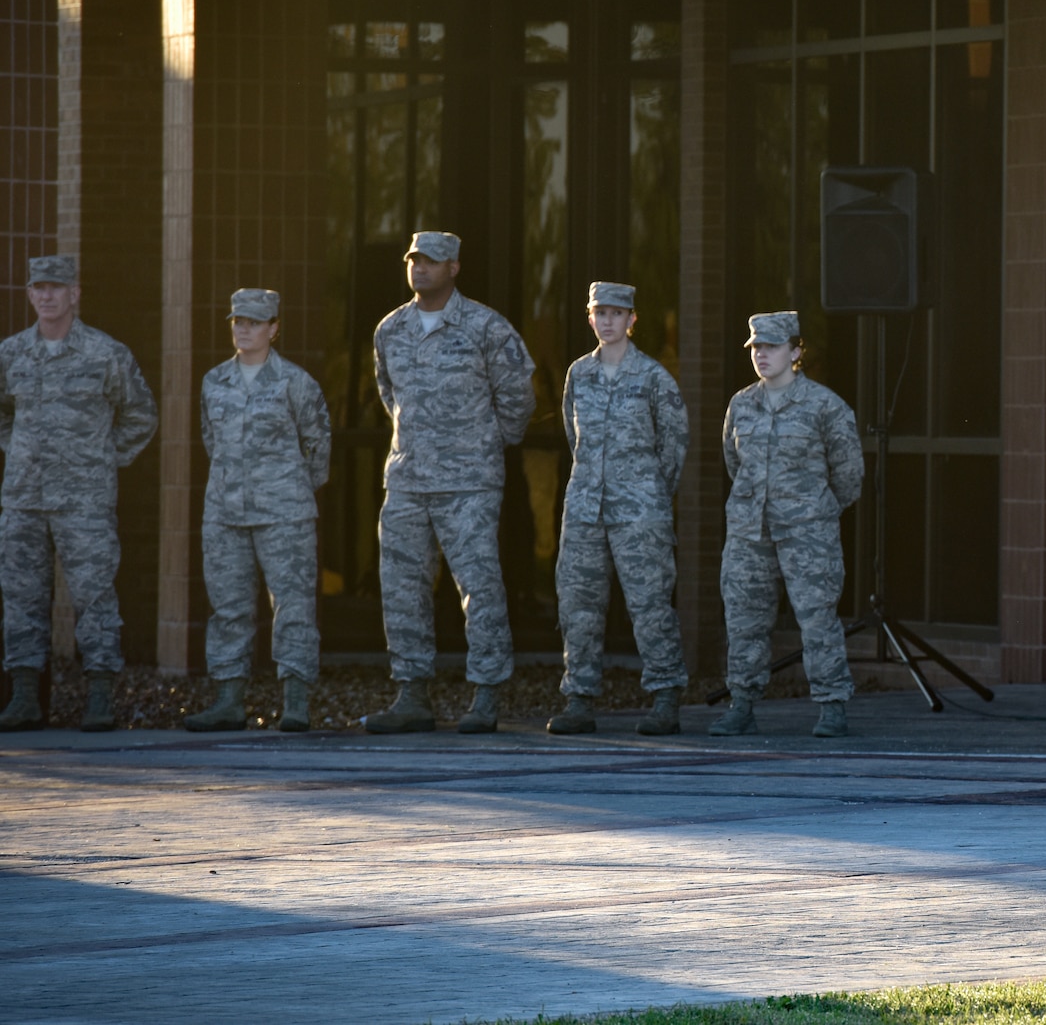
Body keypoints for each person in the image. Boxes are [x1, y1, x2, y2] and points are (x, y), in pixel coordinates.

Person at [364, 232, 535, 735]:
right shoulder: (390, 330)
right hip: (408, 480)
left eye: (432, 262)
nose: (420, 269)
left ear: (455, 267)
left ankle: (485, 694)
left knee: (479, 587)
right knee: (401, 588)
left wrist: (479, 444)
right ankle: (412, 693)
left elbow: (517, 402)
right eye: (414, 260)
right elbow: (388, 394)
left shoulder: (487, 328)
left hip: (469, 483)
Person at [0, 255, 158, 733]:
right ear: (30, 295)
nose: (47, 296)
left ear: (74, 294)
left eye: (56, 287)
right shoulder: (11, 354)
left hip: (84, 501)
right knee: (21, 597)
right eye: (38, 288)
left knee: (94, 597)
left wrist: (102, 459)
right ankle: (25, 697)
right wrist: (21, 452)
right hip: (24, 499)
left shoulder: (104, 354)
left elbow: (141, 414)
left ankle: (100, 698)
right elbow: (4, 415)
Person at [710, 312, 865, 739]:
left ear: (796, 352)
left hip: (807, 532)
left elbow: (849, 474)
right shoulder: (741, 404)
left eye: (772, 346)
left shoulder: (825, 406)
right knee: (743, 621)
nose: (762, 354)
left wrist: (815, 510)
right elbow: (732, 461)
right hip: (748, 532)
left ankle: (832, 706)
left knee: (817, 619)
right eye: (756, 347)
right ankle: (741, 704)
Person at [184, 289, 332, 733]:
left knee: (293, 606)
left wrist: (289, 488)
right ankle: (229, 700)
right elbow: (212, 441)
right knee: (228, 607)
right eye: (237, 321)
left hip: (284, 512)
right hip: (225, 512)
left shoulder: (296, 382)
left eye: (253, 321)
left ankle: (296, 701)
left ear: (274, 329)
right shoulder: (214, 382)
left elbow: (318, 444)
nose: (243, 328)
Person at [547, 282, 691, 736]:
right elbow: (576, 442)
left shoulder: (653, 378)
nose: (607, 320)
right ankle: (579, 698)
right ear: (589, 319)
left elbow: (674, 446)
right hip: (585, 508)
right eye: (599, 312)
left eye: (616, 312)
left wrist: (647, 491)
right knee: (578, 605)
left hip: (640, 511)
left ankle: (666, 695)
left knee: (650, 604)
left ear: (632, 319)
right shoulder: (578, 375)